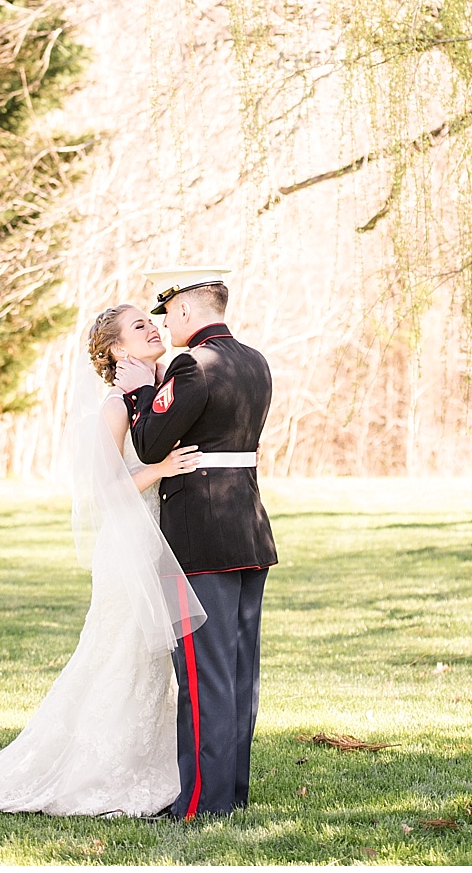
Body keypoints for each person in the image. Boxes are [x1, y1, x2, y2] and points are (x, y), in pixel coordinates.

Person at [0, 305, 204, 819]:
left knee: (151, 662)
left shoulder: (155, 395)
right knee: (119, 653)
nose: (153, 328)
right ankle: (100, 771)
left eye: (151, 323)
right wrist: (160, 469)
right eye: (139, 326)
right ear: (115, 351)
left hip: (157, 540)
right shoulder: (113, 407)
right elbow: (103, 492)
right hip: (127, 545)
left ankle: (155, 765)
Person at [128, 266, 276, 821]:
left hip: (199, 537)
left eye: (167, 316)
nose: (166, 327)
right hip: (248, 530)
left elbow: (149, 443)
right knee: (238, 672)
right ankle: (231, 792)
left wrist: (143, 390)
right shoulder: (254, 359)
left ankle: (199, 804)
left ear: (186, 311)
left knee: (201, 676)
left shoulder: (194, 363)